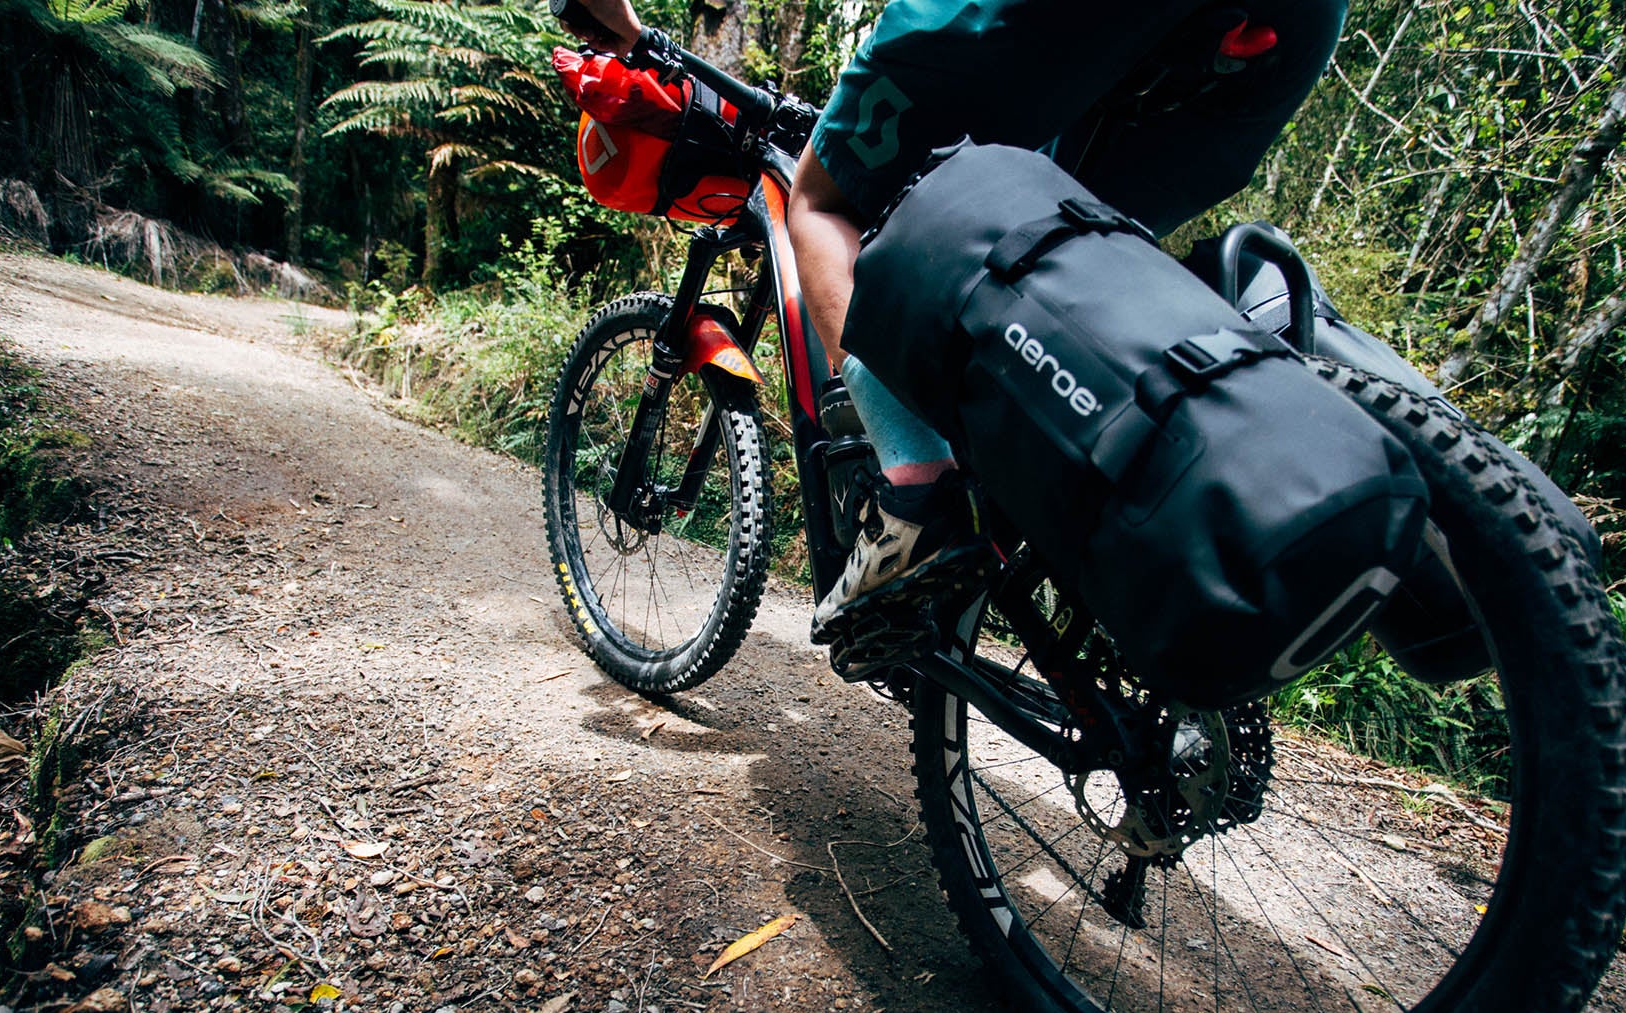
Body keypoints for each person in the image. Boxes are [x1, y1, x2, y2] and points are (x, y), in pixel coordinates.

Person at [558, 0, 1347, 652]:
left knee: (820, 201)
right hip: (1297, 33)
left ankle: (913, 495)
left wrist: (626, 33)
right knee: (1065, 254)